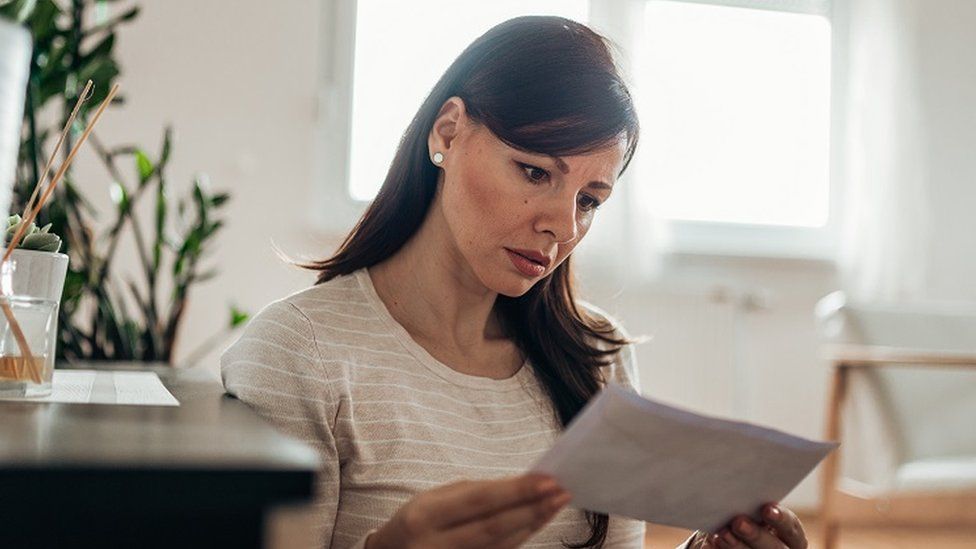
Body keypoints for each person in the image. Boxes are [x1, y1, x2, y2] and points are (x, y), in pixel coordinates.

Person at [221, 15, 810, 549]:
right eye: (534, 171)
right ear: (448, 133)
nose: (561, 223)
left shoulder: (597, 355)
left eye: (590, 200)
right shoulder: (301, 354)